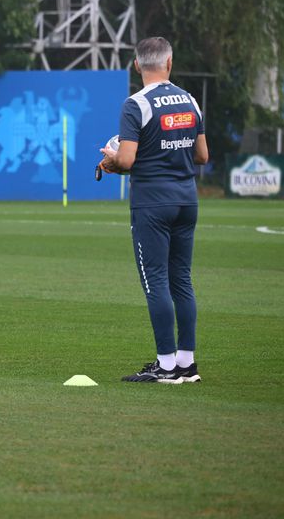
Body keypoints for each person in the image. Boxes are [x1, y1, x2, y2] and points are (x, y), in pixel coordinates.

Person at [100, 37, 209, 384]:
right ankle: (187, 364)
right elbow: (203, 156)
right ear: (170, 63)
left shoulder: (135, 104)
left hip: (153, 203)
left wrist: (110, 159)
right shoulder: (189, 100)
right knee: (182, 280)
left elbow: (128, 159)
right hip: (187, 199)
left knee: (156, 281)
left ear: (136, 65)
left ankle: (165, 367)